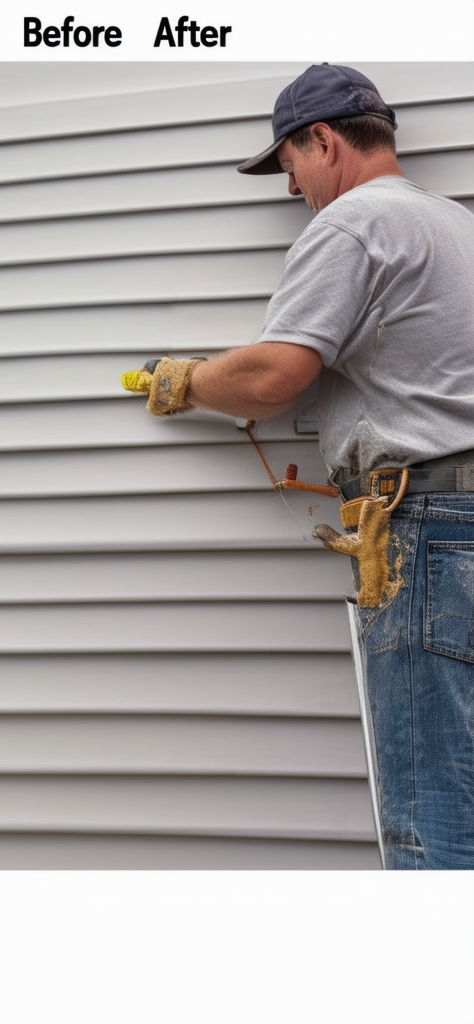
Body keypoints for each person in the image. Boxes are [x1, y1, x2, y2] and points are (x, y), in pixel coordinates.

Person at [129, 64, 474, 869]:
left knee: (437, 817)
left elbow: (277, 376)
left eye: (288, 165)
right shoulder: (454, 223)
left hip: (433, 537)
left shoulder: (355, 224)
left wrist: (185, 379)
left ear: (323, 140)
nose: (292, 190)